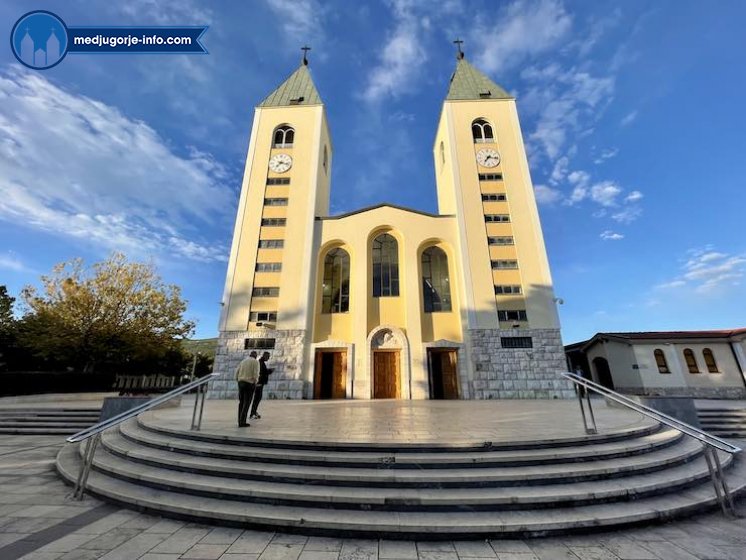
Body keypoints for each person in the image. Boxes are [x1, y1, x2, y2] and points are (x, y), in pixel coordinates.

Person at [235, 351, 259, 427]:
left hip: (241, 382)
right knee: (247, 403)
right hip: (249, 383)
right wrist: (255, 382)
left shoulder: (243, 361)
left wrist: (238, 380)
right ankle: (242, 422)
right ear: (255, 356)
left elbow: (237, 372)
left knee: (241, 402)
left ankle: (239, 420)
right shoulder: (255, 362)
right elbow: (256, 373)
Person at [250, 351, 273, 420]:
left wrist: (268, 371)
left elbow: (263, 371)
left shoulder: (261, 362)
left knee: (257, 399)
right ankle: (252, 413)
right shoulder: (260, 362)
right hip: (259, 384)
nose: (268, 358)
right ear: (265, 356)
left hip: (260, 383)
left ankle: (254, 412)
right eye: (268, 357)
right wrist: (269, 371)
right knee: (257, 399)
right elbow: (261, 373)